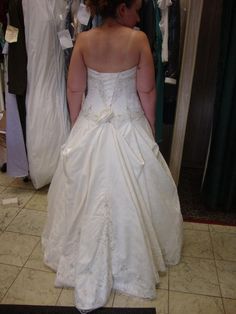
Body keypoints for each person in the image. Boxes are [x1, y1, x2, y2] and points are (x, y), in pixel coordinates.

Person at [42, 0, 183, 311]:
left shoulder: (84, 40)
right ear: (121, 9)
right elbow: (146, 91)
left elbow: (74, 90)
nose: (137, 15)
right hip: (127, 121)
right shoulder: (138, 39)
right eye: (134, 9)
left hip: (92, 120)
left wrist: (80, 127)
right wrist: (148, 129)